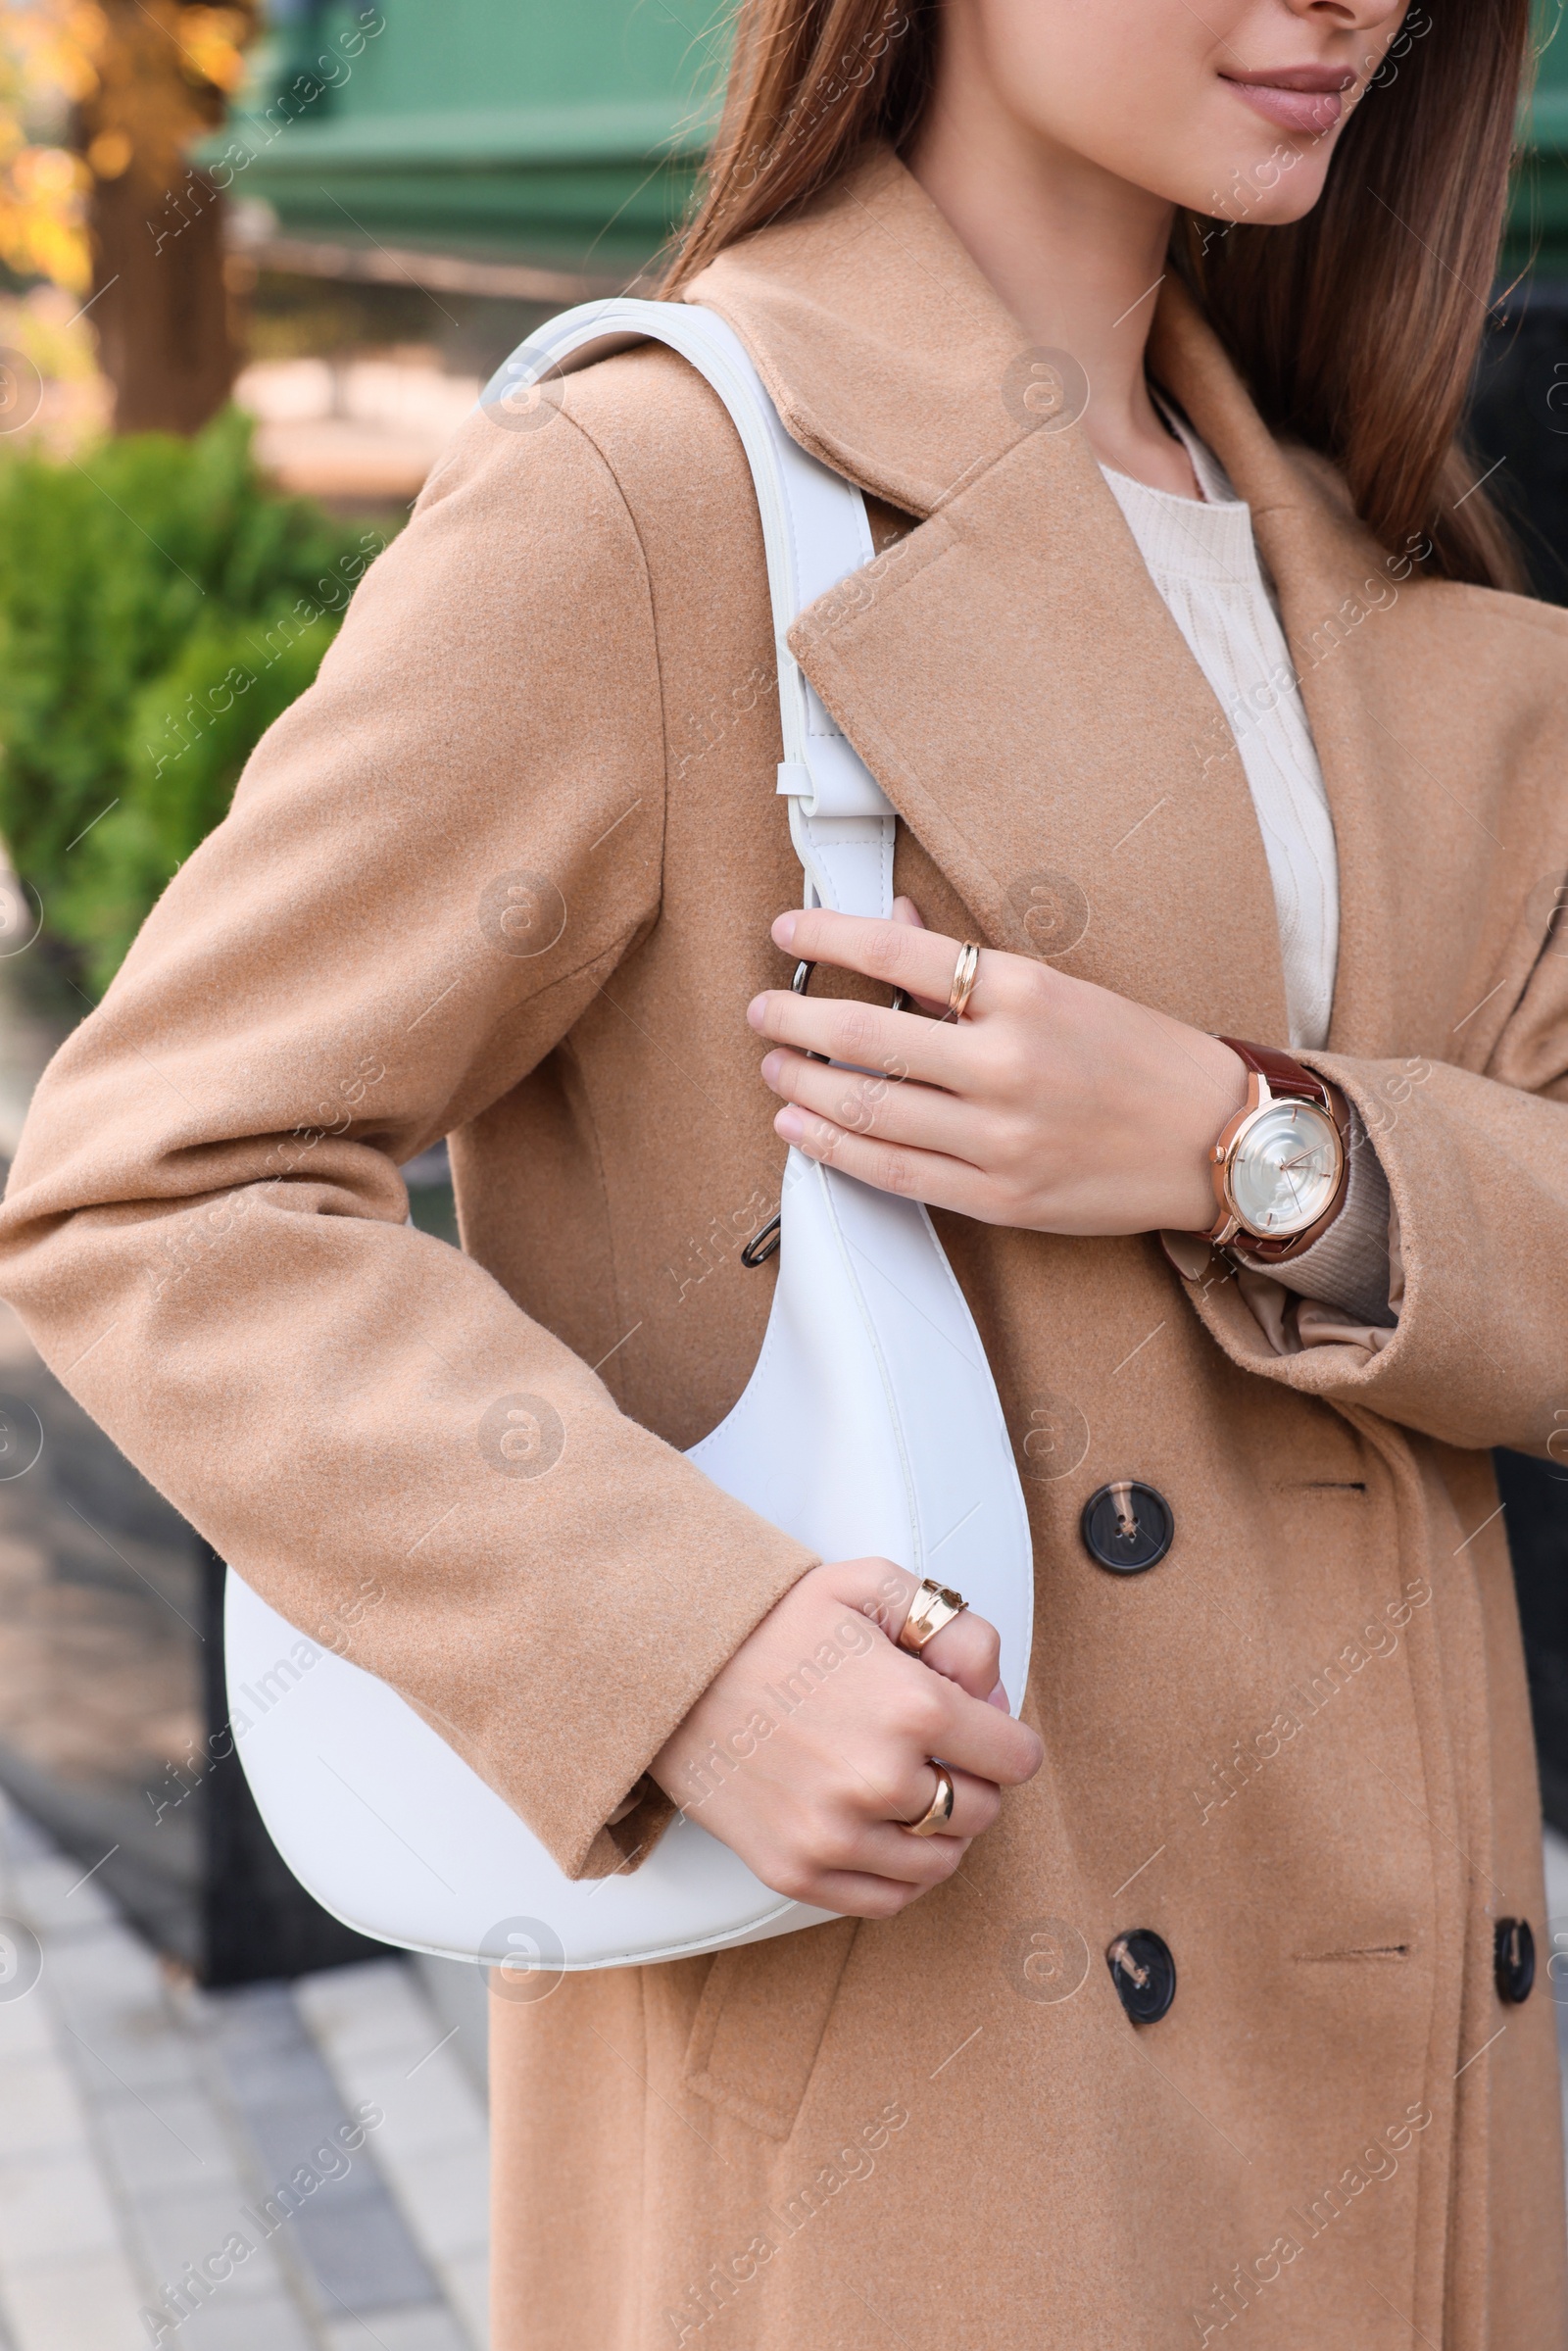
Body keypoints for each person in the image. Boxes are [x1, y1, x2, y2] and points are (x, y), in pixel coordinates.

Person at [2, 0, 1564, 2341]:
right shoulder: (658, 486)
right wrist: (679, 1645)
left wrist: (1247, 1146)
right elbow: (152, 1185)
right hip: (941, 2103)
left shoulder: (1386, 551)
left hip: (1408, 2062)